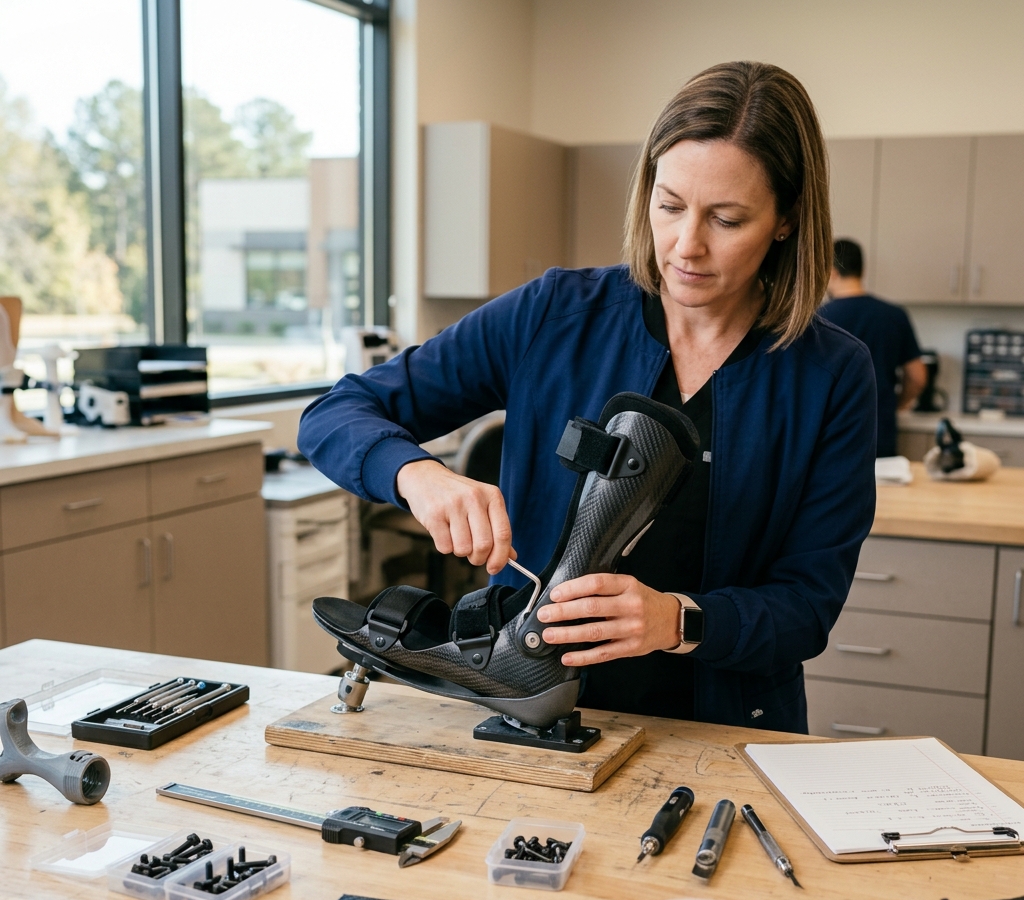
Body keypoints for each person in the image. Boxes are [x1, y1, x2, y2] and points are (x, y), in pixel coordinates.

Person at [298, 61, 877, 734]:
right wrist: (417, 476)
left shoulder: (833, 371)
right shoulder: (552, 313)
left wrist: (676, 619)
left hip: (724, 731)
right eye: (670, 206)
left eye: (727, 218)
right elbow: (333, 414)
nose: (686, 246)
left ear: (785, 221)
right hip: (526, 718)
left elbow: (806, 607)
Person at [820, 238, 926, 457]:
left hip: (831, 433)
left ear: (832, 272)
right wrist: (898, 404)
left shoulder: (819, 319)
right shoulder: (894, 315)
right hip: (880, 429)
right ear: (863, 270)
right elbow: (918, 377)